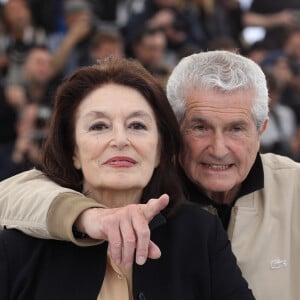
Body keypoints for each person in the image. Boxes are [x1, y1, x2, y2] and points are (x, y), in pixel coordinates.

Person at [1, 50, 300, 299]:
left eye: (236, 128)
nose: (218, 148)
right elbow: (10, 196)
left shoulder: (198, 231)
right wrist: (85, 216)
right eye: (200, 127)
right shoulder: (24, 240)